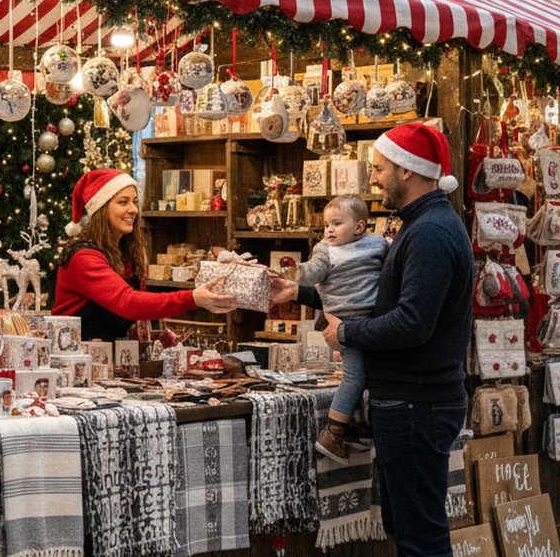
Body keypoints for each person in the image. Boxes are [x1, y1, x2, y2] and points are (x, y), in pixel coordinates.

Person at [269, 122, 472, 556]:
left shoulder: (430, 233)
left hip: (417, 402)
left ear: (407, 170)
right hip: (409, 400)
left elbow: (412, 323)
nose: (373, 178)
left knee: (422, 537)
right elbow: (372, 298)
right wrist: (301, 292)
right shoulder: (420, 226)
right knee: (408, 526)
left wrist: (346, 332)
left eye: (379, 168)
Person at [53, 169, 236, 341]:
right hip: (73, 361)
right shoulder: (83, 257)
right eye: (123, 202)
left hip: (109, 363)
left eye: (135, 202)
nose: (133, 209)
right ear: (100, 210)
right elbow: (128, 302)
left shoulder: (126, 254)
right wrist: (192, 298)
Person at [296, 195, 388, 464]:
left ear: (359, 227)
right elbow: (312, 273)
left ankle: (359, 427)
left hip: (372, 320)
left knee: (371, 373)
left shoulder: (377, 243)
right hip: (343, 321)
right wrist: (295, 273)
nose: (329, 230)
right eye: (326, 225)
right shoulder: (325, 250)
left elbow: (390, 267)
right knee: (354, 375)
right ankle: (333, 432)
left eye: (337, 223)